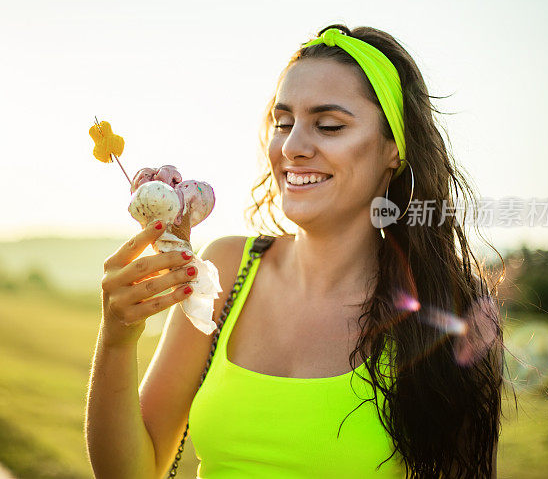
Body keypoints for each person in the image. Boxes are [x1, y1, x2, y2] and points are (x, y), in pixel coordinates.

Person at [85, 24, 505, 478]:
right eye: (283, 123)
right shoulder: (224, 269)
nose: (292, 147)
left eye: (328, 126)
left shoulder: (450, 315)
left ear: (393, 150)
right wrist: (117, 340)